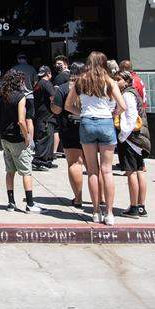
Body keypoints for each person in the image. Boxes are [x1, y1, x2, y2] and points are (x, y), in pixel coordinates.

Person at [70, 51, 126, 225]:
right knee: (107, 170)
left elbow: (67, 105)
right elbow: (122, 106)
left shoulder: (81, 80)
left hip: (87, 122)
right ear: (103, 64)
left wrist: (82, 113)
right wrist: (112, 113)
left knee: (92, 171)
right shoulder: (110, 81)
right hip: (105, 122)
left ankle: (95, 211)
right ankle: (109, 213)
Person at [0, 69, 38, 212]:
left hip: (4, 137)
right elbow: (21, 120)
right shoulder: (21, 97)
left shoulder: (2, 96)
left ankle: (11, 202)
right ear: (18, 81)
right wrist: (27, 137)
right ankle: (30, 204)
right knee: (26, 171)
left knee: (10, 171)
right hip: (17, 138)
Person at [115, 70, 149, 218]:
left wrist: (123, 136)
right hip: (139, 137)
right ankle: (141, 206)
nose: (116, 82)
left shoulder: (127, 95)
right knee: (140, 170)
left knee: (132, 172)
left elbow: (131, 116)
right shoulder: (135, 93)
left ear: (126, 80)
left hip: (131, 138)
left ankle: (134, 207)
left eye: (119, 79)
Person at [53, 60, 86, 209]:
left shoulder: (63, 88)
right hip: (89, 126)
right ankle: (101, 197)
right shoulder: (92, 87)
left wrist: (52, 104)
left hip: (69, 127)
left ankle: (78, 198)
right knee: (93, 166)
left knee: (74, 163)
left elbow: (57, 110)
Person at [30, 65, 56, 170]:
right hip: (46, 116)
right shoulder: (46, 83)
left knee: (47, 137)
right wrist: (57, 109)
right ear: (49, 74)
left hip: (40, 115)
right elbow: (53, 98)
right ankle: (39, 161)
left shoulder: (38, 84)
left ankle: (47, 160)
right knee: (45, 137)